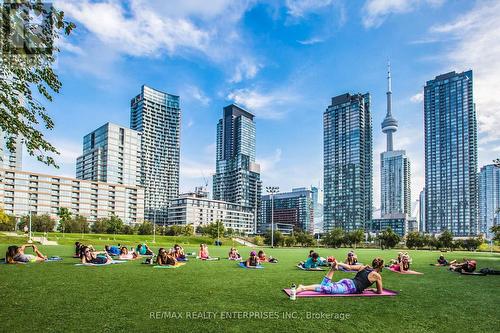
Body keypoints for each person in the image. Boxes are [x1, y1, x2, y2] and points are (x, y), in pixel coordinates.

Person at [296, 258, 385, 295]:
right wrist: (374, 290)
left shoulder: (364, 267)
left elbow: (349, 267)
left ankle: (333, 269)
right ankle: (303, 288)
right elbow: (380, 292)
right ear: (381, 266)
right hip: (350, 288)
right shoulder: (377, 276)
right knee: (327, 289)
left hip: (347, 282)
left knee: (325, 286)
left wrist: (339, 263)